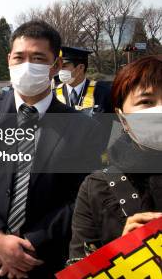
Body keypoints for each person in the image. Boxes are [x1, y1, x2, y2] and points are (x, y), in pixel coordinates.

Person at [0, 20, 106, 278]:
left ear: (55, 65)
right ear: (9, 60)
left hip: (41, 260)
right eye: (19, 57)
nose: (27, 65)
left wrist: (31, 243)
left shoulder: (82, 126)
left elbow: (81, 195)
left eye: (38, 58)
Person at [68, 55, 162, 262]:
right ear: (122, 118)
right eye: (146, 102)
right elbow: (78, 265)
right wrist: (123, 254)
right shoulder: (96, 187)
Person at [55, 46, 113, 115]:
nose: (60, 70)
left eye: (64, 66)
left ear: (81, 68)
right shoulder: (54, 94)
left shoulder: (103, 93)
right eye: (59, 66)